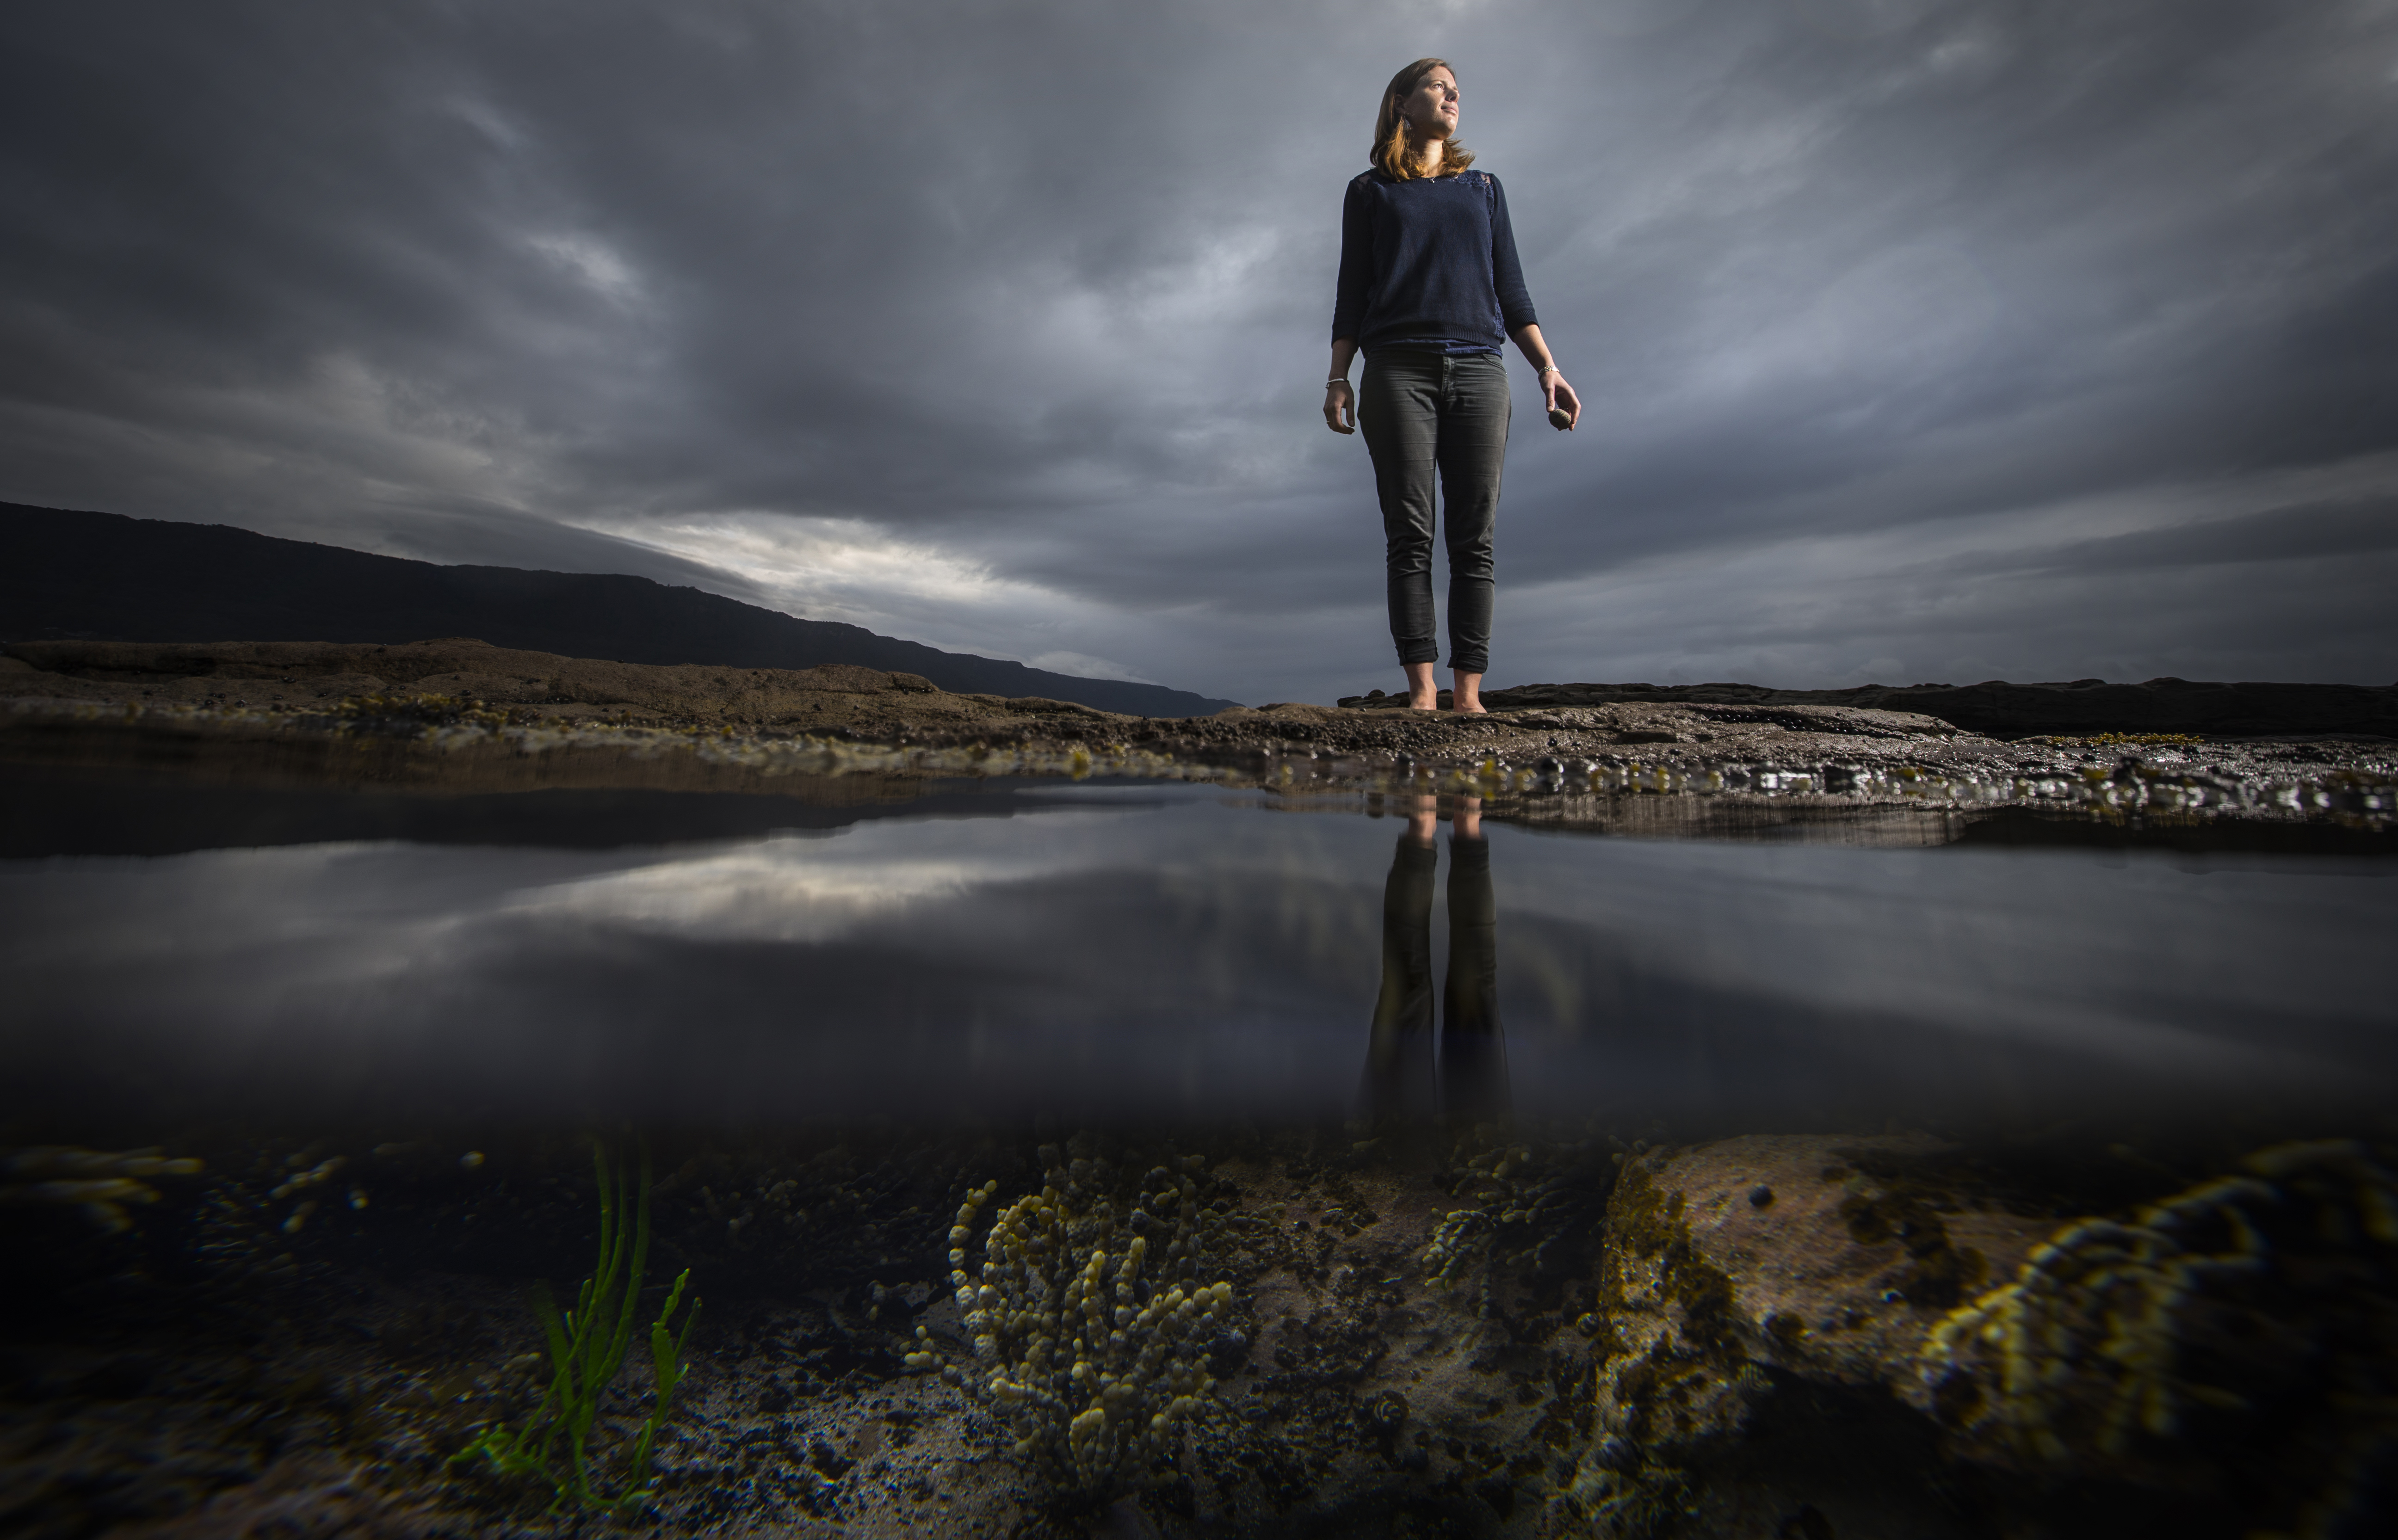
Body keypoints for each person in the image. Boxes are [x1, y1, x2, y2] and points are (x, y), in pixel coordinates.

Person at [1325, 57, 1579, 715]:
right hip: (1396, 370)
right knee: (1410, 532)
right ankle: (1422, 693)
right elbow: (1351, 292)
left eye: (1455, 88)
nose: (1452, 94)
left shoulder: (1485, 189)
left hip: (1480, 368)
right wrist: (1337, 377)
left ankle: (1469, 695)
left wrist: (1548, 368)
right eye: (1437, 85)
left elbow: (1512, 290)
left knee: (1476, 536)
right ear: (1402, 103)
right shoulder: (1368, 192)